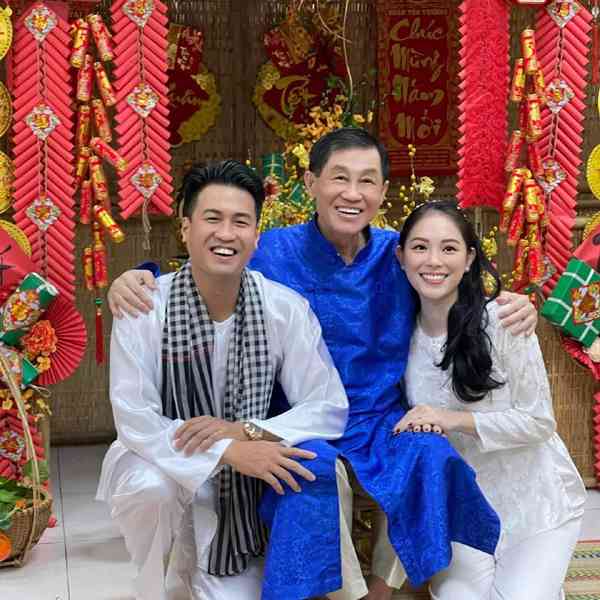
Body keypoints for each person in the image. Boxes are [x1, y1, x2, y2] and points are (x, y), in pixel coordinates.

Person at [107, 127, 537, 599]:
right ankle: (338, 593)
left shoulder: (399, 252)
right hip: (295, 417)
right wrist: (136, 277)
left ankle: (385, 588)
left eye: (366, 180)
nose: (352, 193)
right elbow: (206, 270)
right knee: (311, 469)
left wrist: (512, 303)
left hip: (381, 419)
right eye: (339, 177)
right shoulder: (269, 249)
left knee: (428, 453)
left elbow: (452, 277)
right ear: (311, 183)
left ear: (383, 191)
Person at [96, 160, 351, 600]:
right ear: (186, 228)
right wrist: (226, 451)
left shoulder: (283, 308)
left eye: (240, 222)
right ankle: (154, 584)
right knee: (149, 488)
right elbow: (136, 419)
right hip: (163, 459)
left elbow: (327, 406)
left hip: (244, 477)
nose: (226, 234)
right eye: (212, 219)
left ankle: (231, 560)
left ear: (256, 235)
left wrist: (244, 433)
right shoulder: (144, 307)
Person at [394, 200, 586, 600]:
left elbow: (539, 422)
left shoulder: (503, 321)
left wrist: (451, 419)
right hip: (464, 507)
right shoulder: (397, 337)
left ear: (469, 260)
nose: (433, 261)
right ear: (401, 257)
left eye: (448, 248)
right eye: (420, 247)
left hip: (536, 502)